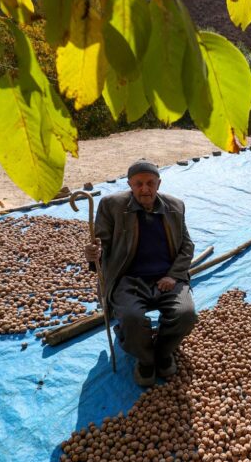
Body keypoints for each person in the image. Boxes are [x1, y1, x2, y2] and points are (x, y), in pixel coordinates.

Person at [84, 160, 197, 386]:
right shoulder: (111, 205)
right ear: (129, 184)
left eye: (150, 183)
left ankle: (163, 352)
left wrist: (173, 275)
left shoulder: (175, 206)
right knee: (132, 317)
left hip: (166, 278)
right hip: (128, 278)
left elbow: (187, 246)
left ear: (158, 183)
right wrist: (93, 253)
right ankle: (145, 359)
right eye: (138, 184)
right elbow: (101, 243)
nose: (145, 189)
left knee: (186, 314)